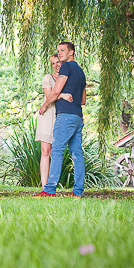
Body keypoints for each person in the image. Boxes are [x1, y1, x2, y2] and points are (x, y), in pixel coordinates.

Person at [34, 41, 88, 198]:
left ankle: (49, 190)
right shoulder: (81, 72)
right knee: (77, 154)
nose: (60, 53)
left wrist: (44, 106)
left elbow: (56, 91)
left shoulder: (66, 67)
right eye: (58, 51)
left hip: (65, 116)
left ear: (71, 52)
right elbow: (83, 100)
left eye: (63, 50)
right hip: (78, 116)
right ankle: (78, 192)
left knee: (56, 151)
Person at [35, 54, 73, 188]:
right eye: (53, 63)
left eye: (58, 62)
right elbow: (49, 96)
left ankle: (53, 184)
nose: (56, 65)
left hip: (61, 115)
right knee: (45, 151)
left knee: (56, 152)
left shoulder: (67, 78)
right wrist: (62, 94)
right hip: (47, 114)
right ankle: (45, 185)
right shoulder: (48, 78)